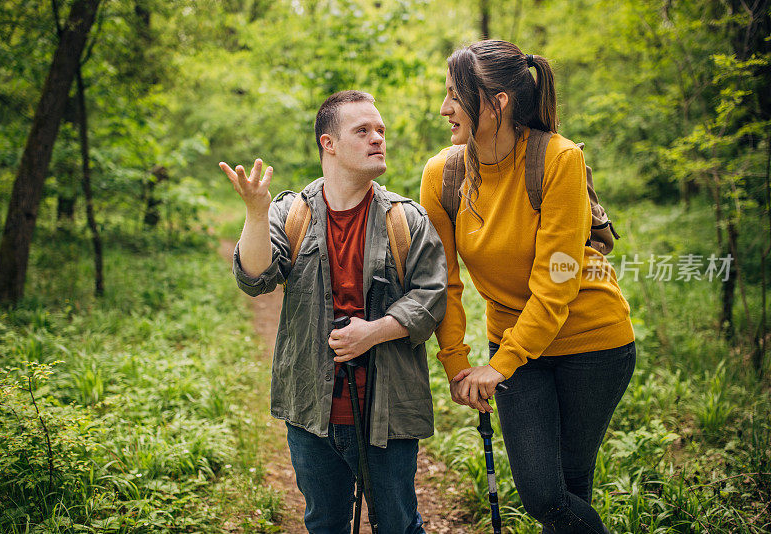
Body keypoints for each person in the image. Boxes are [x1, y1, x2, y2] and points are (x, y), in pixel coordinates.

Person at [419, 40, 636, 533]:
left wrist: (498, 367)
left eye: (456, 95)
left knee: (565, 488)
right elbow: (442, 282)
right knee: (543, 492)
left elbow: (558, 283)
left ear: (498, 101)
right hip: (515, 345)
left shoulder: (559, 160)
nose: (444, 108)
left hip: (593, 342)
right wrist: (458, 364)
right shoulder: (443, 175)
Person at [221, 90, 447, 534]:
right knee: (324, 523)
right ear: (329, 143)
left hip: (389, 409)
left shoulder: (407, 218)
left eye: (380, 130)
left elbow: (432, 295)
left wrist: (375, 331)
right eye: (363, 131)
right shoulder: (292, 212)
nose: (378, 139)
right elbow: (255, 278)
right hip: (312, 409)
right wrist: (254, 211)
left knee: (398, 524)